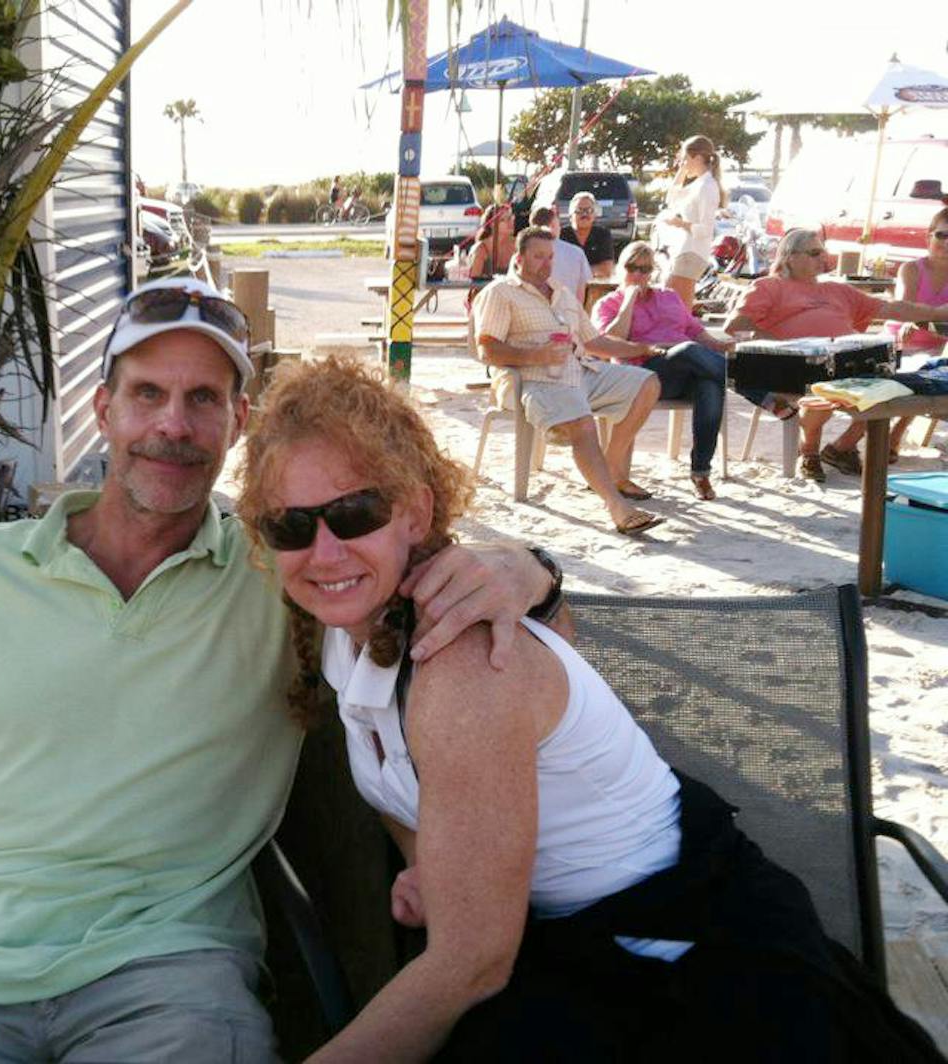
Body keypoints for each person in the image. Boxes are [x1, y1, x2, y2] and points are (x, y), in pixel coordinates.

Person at [0, 277, 555, 1064]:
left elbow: (405, 559)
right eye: (148, 394)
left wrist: (531, 569)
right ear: (103, 410)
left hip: (170, 978)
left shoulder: (285, 579)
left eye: (205, 399)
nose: (174, 424)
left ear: (238, 425)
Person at [233, 353, 945, 1063]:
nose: (323, 552)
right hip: (557, 943)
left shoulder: (460, 662)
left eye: (354, 512)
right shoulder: (346, 632)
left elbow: (470, 965)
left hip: (690, 960)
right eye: (290, 527)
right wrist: (431, 862)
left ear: (416, 511)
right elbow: (395, 767)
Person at [472, 226, 665, 535]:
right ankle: (617, 507)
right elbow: (487, 349)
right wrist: (536, 356)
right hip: (536, 380)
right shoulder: (501, 292)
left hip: (583, 372)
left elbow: (595, 341)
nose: (546, 264)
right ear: (518, 258)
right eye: (538, 257)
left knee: (647, 382)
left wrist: (640, 349)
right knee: (583, 422)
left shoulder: (561, 292)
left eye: (550, 257)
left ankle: (611, 468)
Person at [724, 228, 948, 481]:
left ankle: (841, 447)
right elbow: (736, 324)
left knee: (890, 386)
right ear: (790, 256)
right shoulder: (769, 286)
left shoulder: (837, 290)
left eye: (824, 252)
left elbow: (891, 308)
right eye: (815, 252)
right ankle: (808, 451)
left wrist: (938, 313)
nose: (824, 258)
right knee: (824, 387)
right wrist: (783, 345)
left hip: (842, 364)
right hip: (793, 367)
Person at [593, 240, 791, 500]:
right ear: (621, 268)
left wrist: (719, 345)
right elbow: (610, 343)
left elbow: (695, 332)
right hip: (643, 372)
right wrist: (628, 300)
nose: (639, 275)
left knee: (709, 385)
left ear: (653, 271)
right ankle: (760, 394)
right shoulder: (608, 303)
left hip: (685, 367)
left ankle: (700, 472)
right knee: (688, 350)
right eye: (633, 268)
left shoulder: (668, 296)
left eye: (645, 268)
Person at [834, 205, 948, 459]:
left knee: (927, 372)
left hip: (935, 347)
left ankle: (891, 435)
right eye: (942, 235)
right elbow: (903, 307)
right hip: (897, 342)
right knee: (909, 376)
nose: (947, 243)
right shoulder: (912, 269)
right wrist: (918, 318)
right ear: (929, 236)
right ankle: (853, 442)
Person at [655, 135, 726, 309]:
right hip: (685, 250)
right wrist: (682, 171)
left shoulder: (707, 186)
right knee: (673, 303)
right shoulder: (698, 184)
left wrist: (679, 223)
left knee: (676, 305)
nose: (683, 164)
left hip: (693, 252)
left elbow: (705, 229)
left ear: (698, 158)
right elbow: (672, 198)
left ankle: (682, 335)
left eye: (686, 159)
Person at [531, 205, 590, 306]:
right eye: (558, 225)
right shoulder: (576, 253)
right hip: (569, 313)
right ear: (552, 225)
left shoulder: (524, 253)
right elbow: (583, 288)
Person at [561, 191, 615, 279]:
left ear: (594, 215)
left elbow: (607, 270)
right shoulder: (562, 235)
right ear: (570, 215)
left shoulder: (603, 234)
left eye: (589, 210)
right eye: (579, 210)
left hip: (595, 287)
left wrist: (575, 272)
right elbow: (559, 269)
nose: (584, 214)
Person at [462, 204, 514, 278]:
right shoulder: (481, 248)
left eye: (511, 218)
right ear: (492, 224)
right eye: (504, 220)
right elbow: (474, 281)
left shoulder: (516, 245)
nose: (510, 222)